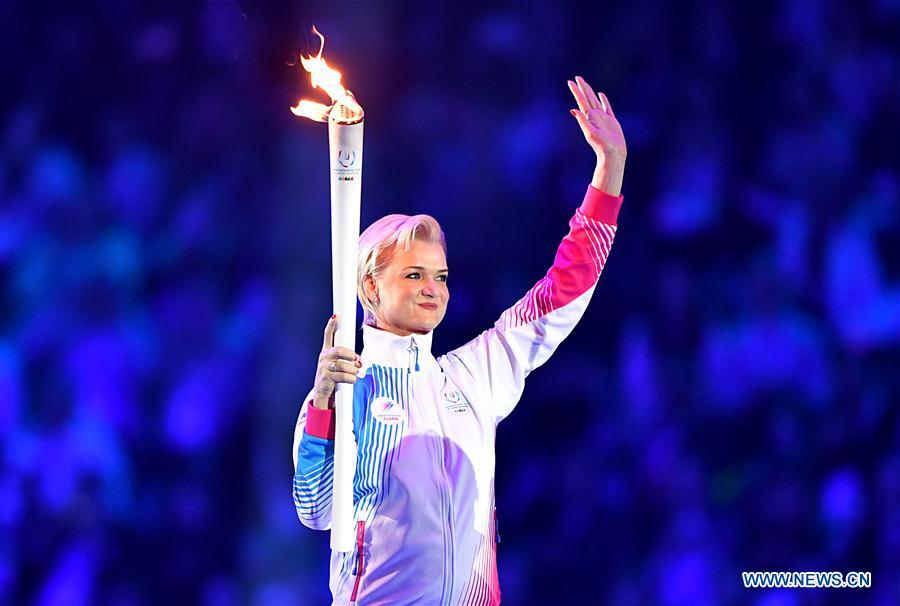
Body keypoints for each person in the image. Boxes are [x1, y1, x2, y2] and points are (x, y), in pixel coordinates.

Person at [292, 76, 626, 605]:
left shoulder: (473, 375)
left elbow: (562, 291)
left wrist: (609, 173)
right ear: (370, 287)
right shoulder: (342, 393)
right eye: (414, 275)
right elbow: (314, 509)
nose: (432, 289)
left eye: (441, 277)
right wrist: (325, 412)